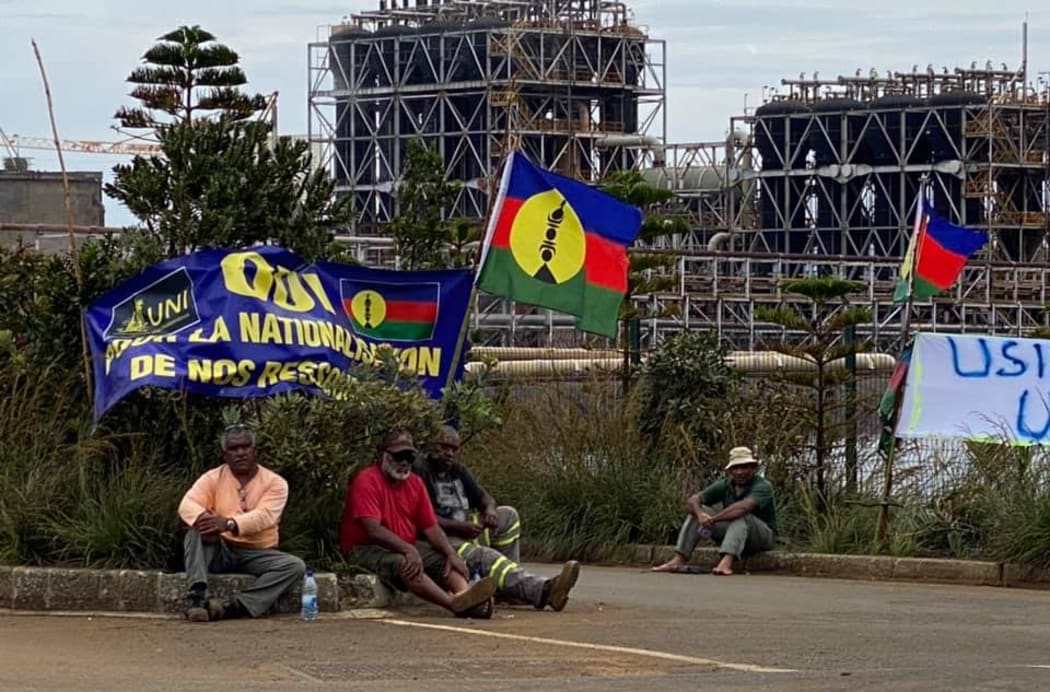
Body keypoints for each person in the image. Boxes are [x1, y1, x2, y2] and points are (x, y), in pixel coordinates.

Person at [416, 425, 580, 612]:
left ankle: (509, 591)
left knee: (508, 515)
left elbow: (485, 498)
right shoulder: (421, 472)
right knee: (486, 557)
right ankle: (544, 591)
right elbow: (425, 520)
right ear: (430, 445)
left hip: (466, 529)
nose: (449, 454)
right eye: (444, 447)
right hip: (443, 538)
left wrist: (490, 511)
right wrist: (460, 527)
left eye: (454, 449)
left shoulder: (457, 470)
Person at [340, 430, 497, 617]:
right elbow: (373, 529)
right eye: (399, 456)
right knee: (407, 564)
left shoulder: (415, 483)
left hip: (405, 544)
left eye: (410, 457)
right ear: (383, 455)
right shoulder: (366, 481)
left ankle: (466, 596)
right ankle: (453, 604)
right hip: (366, 548)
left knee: (444, 559)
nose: (404, 462)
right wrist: (408, 549)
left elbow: (431, 527)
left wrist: (451, 554)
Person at [178, 423, 306, 622]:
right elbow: (187, 505)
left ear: (255, 451)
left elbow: (265, 516)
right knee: (196, 530)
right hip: (220, 548)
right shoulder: (212, 478)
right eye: (233, 448)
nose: (240, 453)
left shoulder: (276, 483)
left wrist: (229, 523)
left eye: (245, 447)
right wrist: (205, 520)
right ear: (225, 455)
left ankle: (234, 608)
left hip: (257, 552)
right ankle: (197, 599)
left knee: (294, 566)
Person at [652, 446, 777, 576]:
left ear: (752, 468)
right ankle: (679, 559)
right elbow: (693, 500)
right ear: (730, 470)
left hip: (762, 536)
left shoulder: (763, 486)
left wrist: (713, 519)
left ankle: (726, 562)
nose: (739, 472)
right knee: (697, 512)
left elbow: (742, 508)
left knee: (740, 516)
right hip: (734, 532)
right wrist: (701, 515)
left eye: (744, 467)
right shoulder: (726, 484)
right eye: (735, 468)